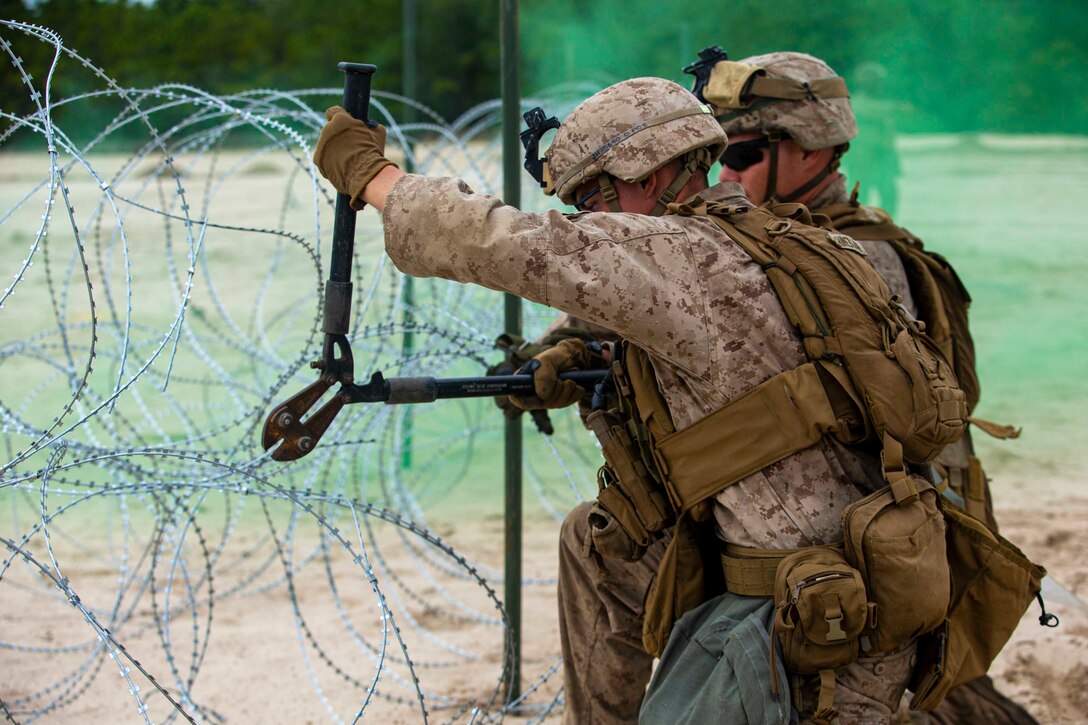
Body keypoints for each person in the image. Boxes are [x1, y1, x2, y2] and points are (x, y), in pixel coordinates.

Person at [313, 77, 958, 724]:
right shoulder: (780, 241)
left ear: (653, 176)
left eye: (594, 195)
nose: (591, 218)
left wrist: (373, 176)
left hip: (816, 632)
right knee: (602, 544)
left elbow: (506, 243)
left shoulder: (685, 258)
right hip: (858, 588)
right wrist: (582, 355)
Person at [694, 49, 1034, 724]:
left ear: (812, 153)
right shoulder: (777, 243)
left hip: (895, 536)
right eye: (717, 158)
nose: (723, 175)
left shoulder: (858, 260)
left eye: (742, 155)